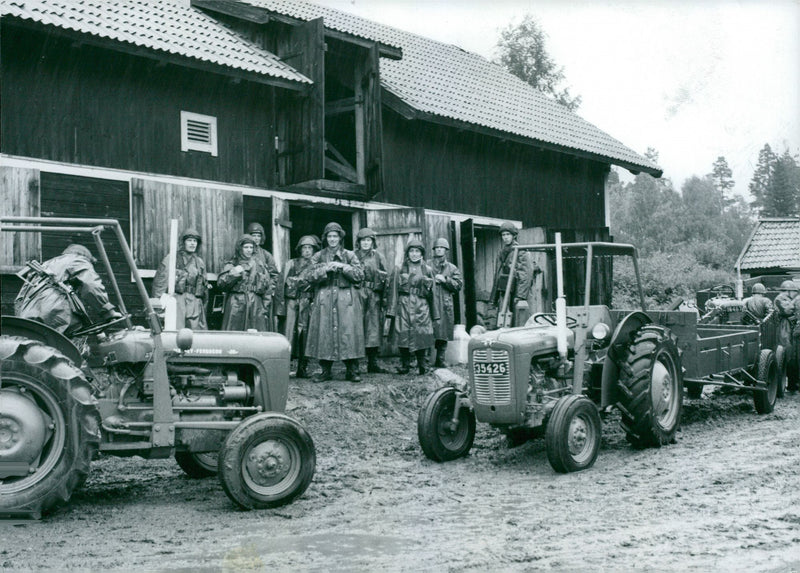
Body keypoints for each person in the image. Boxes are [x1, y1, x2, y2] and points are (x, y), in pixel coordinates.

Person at [303, 222, 365, 383]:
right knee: (324, 332)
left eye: (335, 236)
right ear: (325, 238)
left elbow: (359, 275)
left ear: (340, 238)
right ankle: (325, 370)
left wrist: (343, 267)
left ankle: (352, 370)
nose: (332, 239)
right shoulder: (318, 256)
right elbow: (308, 276)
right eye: (329, 236)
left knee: (348, 333)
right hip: (324, 299)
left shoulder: (350, 255)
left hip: (346, 299)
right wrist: (325, 269)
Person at [15, 244, 121, 336]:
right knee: (73, 345)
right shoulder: (78, 260)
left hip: (29, 313)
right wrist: (108, 311)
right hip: (53, 312)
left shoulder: (46, 264)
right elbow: (91, 285)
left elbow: (21, 295)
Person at [385, 238, 439, 375]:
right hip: (403, 305)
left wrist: (435, 313)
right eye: (411, 251)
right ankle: (405, 364)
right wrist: (391, 311)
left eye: (417, 251)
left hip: (422, 306)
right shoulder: (399, 269)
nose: (414, 254)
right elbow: (393, 290)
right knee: (402, 334)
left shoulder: (428, 270)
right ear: (407, 253)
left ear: (421, 254)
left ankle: (423, 364)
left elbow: (434, 293)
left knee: (422, 334)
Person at [277, 235, 320, 379]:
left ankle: (303, 367)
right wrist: (280, 308)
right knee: (288, 334)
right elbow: (280, 286)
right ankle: (284, 366)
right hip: (291, 303)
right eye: (304, 248)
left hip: (308, 303)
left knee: (305, 336)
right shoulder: (290, 264)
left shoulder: (317, 266)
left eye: (310, 248)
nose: (307, 251)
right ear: (299, 249)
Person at [152, 228, 208, 330]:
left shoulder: (199, 262)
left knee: (196, 336)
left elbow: (204, 288)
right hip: (178, 302)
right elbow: (160, 284)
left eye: (195, 241)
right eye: (189, 240)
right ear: (183, 242)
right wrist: (158, 308)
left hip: (195, 304)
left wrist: (203, 306)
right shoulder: (172, 259)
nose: (192, 244)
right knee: (177, 334)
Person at [217, 234, 272, 331]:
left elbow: (267, 290)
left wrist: (264, 309)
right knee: (235, 336)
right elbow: (221, 284)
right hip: (236, 304)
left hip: (256, 306)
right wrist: (235, 273)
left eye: (251, 247)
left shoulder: (260, 266)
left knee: (256, 338)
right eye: (246, 247)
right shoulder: (232, 264)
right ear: (240, 248)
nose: (249, 250)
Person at [355, 227, 390, 374]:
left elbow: (386, 278)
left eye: (368, 240)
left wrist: (384, 298)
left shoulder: (378, 257)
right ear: (359, 242)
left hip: (374, 295)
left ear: (372, 242)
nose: (366, 243)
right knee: (355, 327)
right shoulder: (352, 256)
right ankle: (354, 364)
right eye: (363, 240)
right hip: (357, 294)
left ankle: (372, 362)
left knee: (373, 328)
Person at [489, 222, 535, 328]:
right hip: (505, 292)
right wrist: (494, 299)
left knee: (518, 322)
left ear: (514, 235)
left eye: (508, 234)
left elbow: (526, 274)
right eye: (503, 235)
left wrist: (520, 296)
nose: (505, 237)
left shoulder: (521, 251)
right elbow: (498, 276)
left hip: (517, 292)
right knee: (503, 322)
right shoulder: (501, 253)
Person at [430, 237, 463, 368]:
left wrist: (445, 279)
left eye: (441, 248)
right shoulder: (427, 265)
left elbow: (458, 285)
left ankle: (440, 359)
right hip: (431, 301)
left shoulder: (452, 268)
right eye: (437, 247)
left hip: (445, 303)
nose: (439, 250)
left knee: (443, 332)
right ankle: (425, 360)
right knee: (428, 331)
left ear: (446, 250)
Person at [245, 222, 280, 331]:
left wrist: (268, 290)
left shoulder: (266, 255)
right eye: (253, 235)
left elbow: (274, 275)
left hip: (262, 297)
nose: (256, 238)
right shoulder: (243, 252)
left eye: (258, 235)